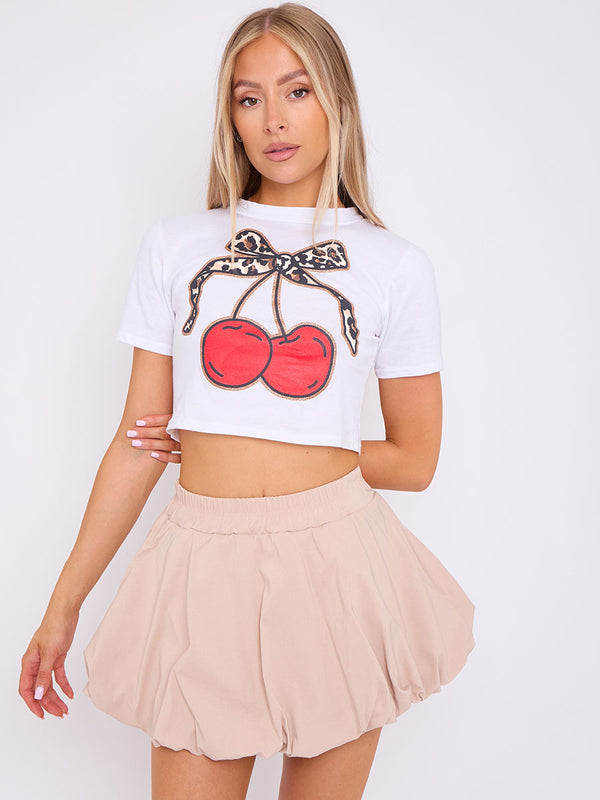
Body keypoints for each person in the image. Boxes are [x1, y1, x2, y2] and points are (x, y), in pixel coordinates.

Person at [19, 4, 476, 799]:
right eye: (248, 98)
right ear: (230, 116)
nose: (274, 120)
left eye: (297, 91)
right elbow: (137, 440)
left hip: (338, 561)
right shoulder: (177, 246)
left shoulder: (394, 266)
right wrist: (63, 604)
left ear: (337, 100)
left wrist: (256, 429)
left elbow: (415, 460)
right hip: (202, 559)